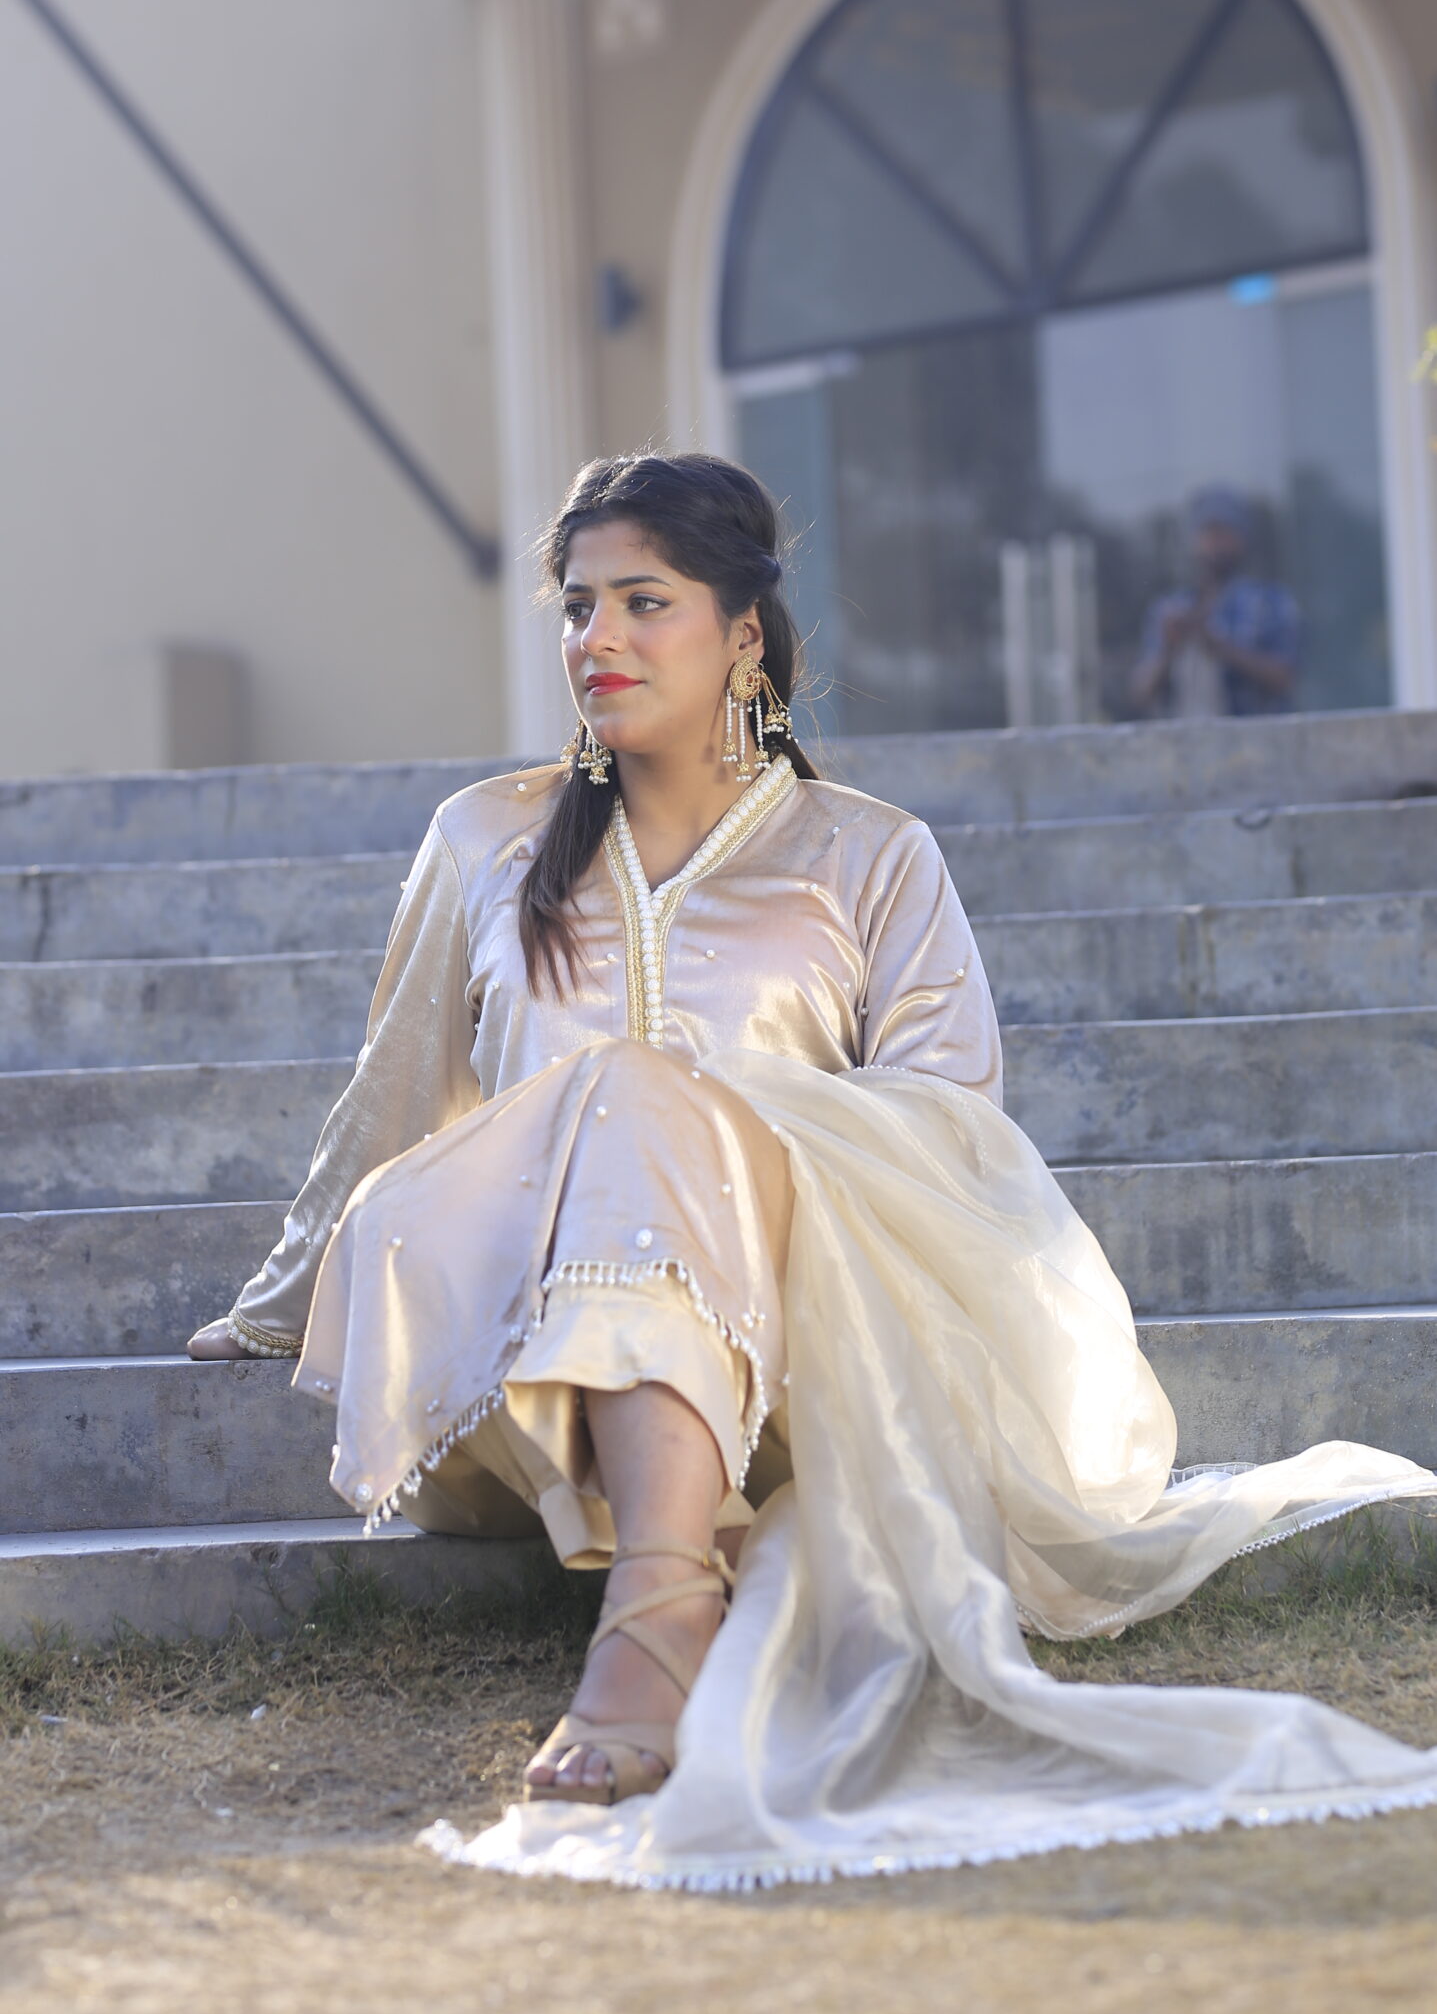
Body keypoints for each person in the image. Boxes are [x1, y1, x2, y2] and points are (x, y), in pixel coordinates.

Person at [191, 453, 1437, 1890]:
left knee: (655, 1099)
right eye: (578, 606)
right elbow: (401, 1096)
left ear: (742, 636)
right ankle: (671, 1597)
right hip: (519, 1385)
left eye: (642, 602)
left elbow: (954, 1136)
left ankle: (657, 1605)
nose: (596, 638)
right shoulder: (485, 839)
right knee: (626, 1095)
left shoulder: (870, 856)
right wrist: (283, 1302)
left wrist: (719, 1121)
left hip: (796, 1365)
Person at [1132, 487, 1299, 720]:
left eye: (1224, 532)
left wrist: (1221, 648)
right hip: (1184, 741)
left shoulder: (1270, 603)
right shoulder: (1168, 609)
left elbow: (1286, 678)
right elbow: (1140, 694)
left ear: (1242, 538)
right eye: (1208, 532)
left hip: (1255, 740)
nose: (1215, 542)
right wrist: (1169, 650)